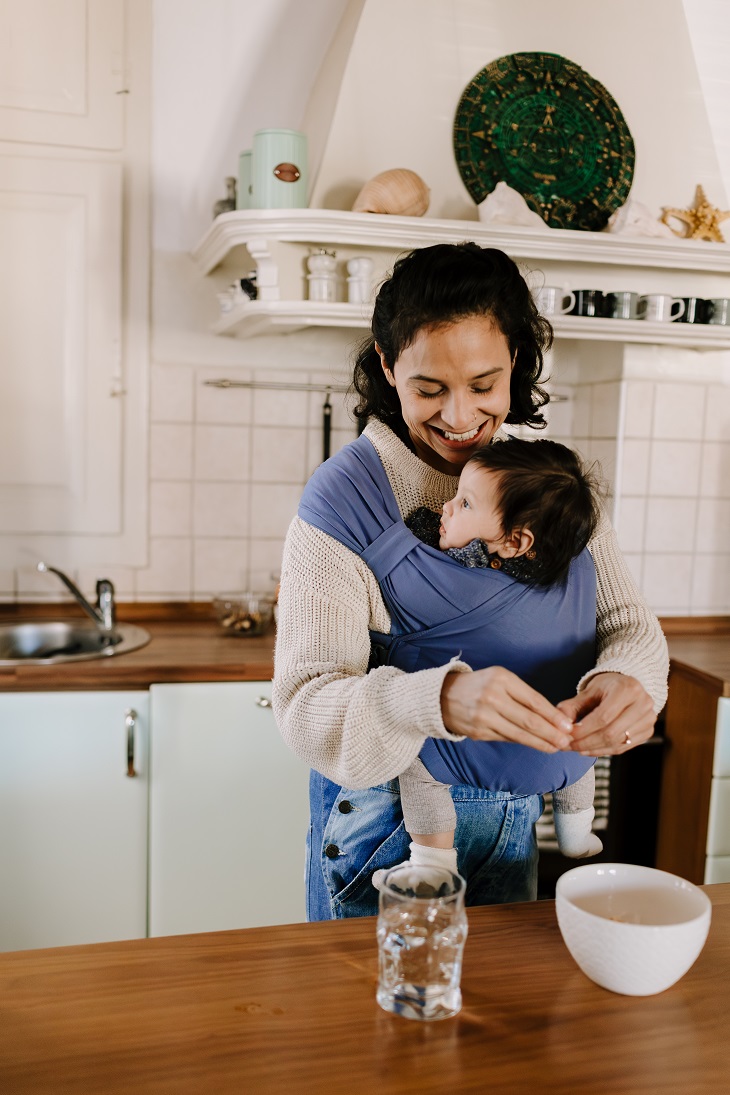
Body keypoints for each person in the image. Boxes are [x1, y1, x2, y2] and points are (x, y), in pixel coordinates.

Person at [272, 242, 668, 921]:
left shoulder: (547, 484)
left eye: (484, 386)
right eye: (429, 389)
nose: (459, 418)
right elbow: (306, 708)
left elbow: (626, 624)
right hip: (386, 835)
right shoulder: (343, 502)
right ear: (387, 365)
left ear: (516, 358)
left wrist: (630, 681)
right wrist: (438, 700)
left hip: (514, 826)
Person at [374, 436, 606, 888]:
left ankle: (433, 862)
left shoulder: (452, 570)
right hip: (561, 748)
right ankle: (577, 830)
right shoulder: (574, 565)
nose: (446, 506)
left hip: (467, 750)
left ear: (516, 541)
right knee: (582, 732)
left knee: (416, 762)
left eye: (463, 503)